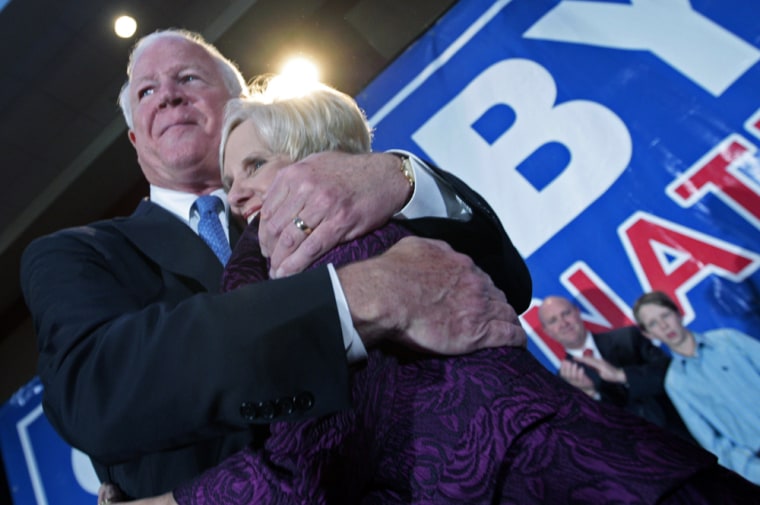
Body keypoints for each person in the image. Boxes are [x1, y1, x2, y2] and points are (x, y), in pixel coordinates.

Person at [108, 77, 760, 505]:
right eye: (229, 180)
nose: (238, 193)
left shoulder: (330, 243)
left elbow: (308, 456)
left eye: (254, 164)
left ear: (318, 160)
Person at [19, 29, 532, 500]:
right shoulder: (76, 253)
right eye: (145, 92)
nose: (168, 95)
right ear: (135, 141)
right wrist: (352, 298)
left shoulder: (343, 184)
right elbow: (98, 391)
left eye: (188, 78)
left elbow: (504, 286)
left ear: (240, 103)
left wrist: (403, 178)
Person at [633, 291, 760, 485]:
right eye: (653, 324)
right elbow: (713, 443)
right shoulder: (675, 383)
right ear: (648, 334)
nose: (664, 326)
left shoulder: (728, 341)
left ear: (678, 313)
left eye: (665, 315)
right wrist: (754, 471)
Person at [538, 295, 694, 441]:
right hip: (640, 458)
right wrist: (592, 396)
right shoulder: (564, 382)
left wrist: (622, 375)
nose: (563, 323)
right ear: (547, 332)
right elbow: (590, 435)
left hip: (683, 435)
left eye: (566, 313)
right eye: (553, 321)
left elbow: (670, 373)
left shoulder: (628, 338)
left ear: (578, 313)